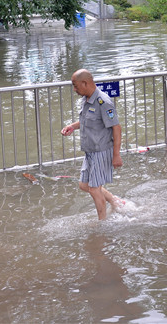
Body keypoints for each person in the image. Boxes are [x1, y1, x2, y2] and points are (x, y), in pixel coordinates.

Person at [61, 69, 124, 220]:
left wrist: (116, 155)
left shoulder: (104, 102)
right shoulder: (86, 99)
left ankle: (102, 224)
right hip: (90, 150)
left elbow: (116, 127)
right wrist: (72, 126)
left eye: (76, 86)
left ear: (85, 83)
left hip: (101, 150)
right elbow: (87, 120)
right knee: (84, 185)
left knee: (94, 189)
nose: (75, 90)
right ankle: (114, 201)